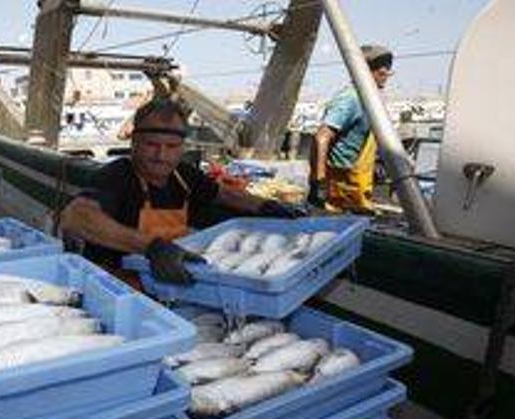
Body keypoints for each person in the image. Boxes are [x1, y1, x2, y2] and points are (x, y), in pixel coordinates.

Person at [60, 97, 299, 286]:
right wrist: (151, 247)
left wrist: (265, 206)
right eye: (151, 145)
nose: (161, 155)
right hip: (118, 285)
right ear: (134, 143)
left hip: (172, 281)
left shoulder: (183, 175)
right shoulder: (116, 176)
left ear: (182, 148)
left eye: (171, 147)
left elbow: (224, 194)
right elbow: (75, 217)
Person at [308, 45, 394, 214]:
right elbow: (322, 137)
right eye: (378, 68)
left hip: (358, 184)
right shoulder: (350, 99)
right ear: (363, 71)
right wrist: (319, 183)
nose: (385, 73)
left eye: (387, 67)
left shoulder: (369, 100)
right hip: (342, 186)